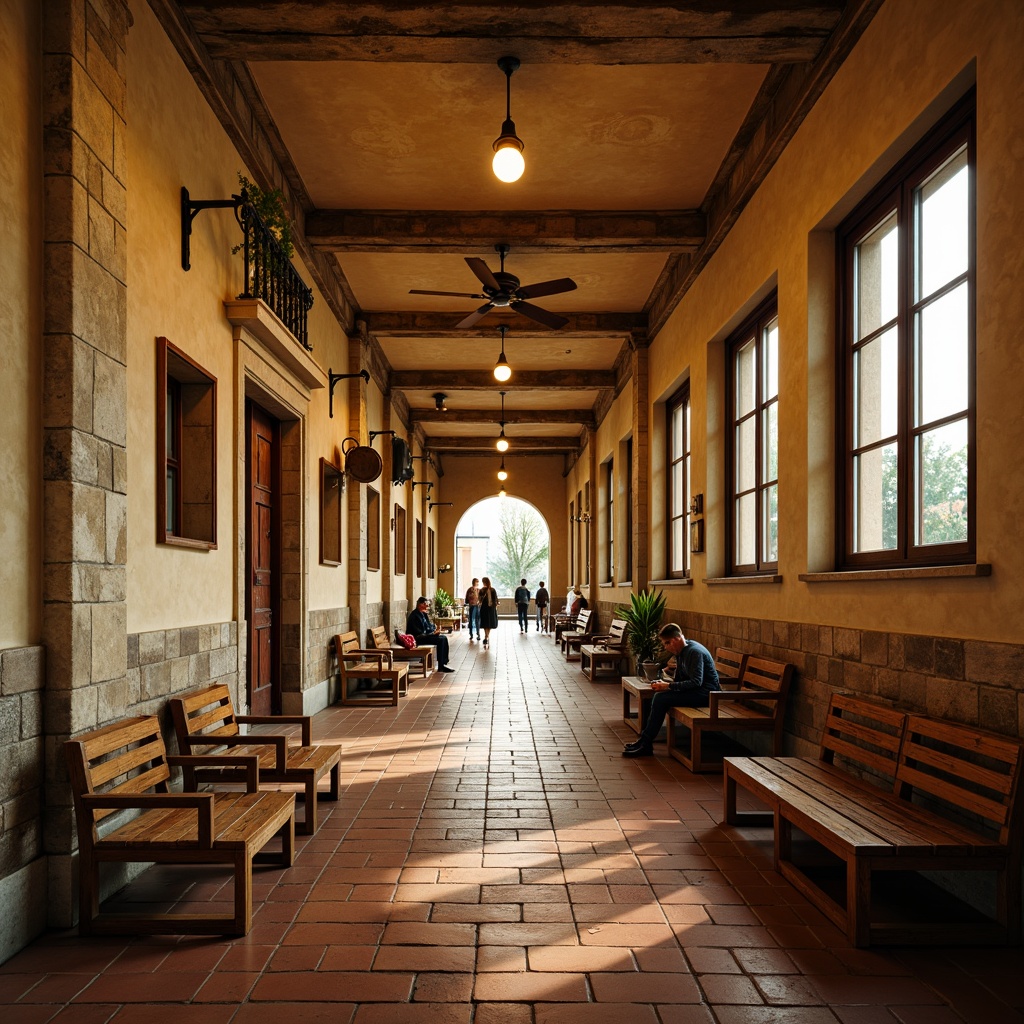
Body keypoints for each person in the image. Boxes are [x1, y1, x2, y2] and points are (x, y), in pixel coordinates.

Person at [622, 624, 720, 758]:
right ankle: (644, 741)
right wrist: (665, 682)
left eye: (667, 643)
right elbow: (680, 678)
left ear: (676, 639)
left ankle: (646, 743)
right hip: (696, 691)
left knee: (661, 699)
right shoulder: (681, 651)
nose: (666, 647)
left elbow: (697, 682)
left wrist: (668, 687)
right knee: (656, 696)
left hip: (707, 695)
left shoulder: (694, 652)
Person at [406, 597, 455, 672]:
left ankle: (444, 662)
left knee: (444, 638)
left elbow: (428, 626)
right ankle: (441, 666)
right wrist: (431, 634)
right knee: (440, 640)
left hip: (426, 635)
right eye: (426, 604)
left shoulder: (423, 614)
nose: (427, 606)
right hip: (418, 638)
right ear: (420, 604)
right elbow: (418, 632)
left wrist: (434, 630)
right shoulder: (414, 616)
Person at [478, 576, 499, 649]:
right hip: (489, 608)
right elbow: (495, 599)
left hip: (486, 608)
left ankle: (486, 636)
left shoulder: (484, 590)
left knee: (487, 623)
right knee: (487, 623)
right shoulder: (490, 590)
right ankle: (487, 637)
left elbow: (480, 599)